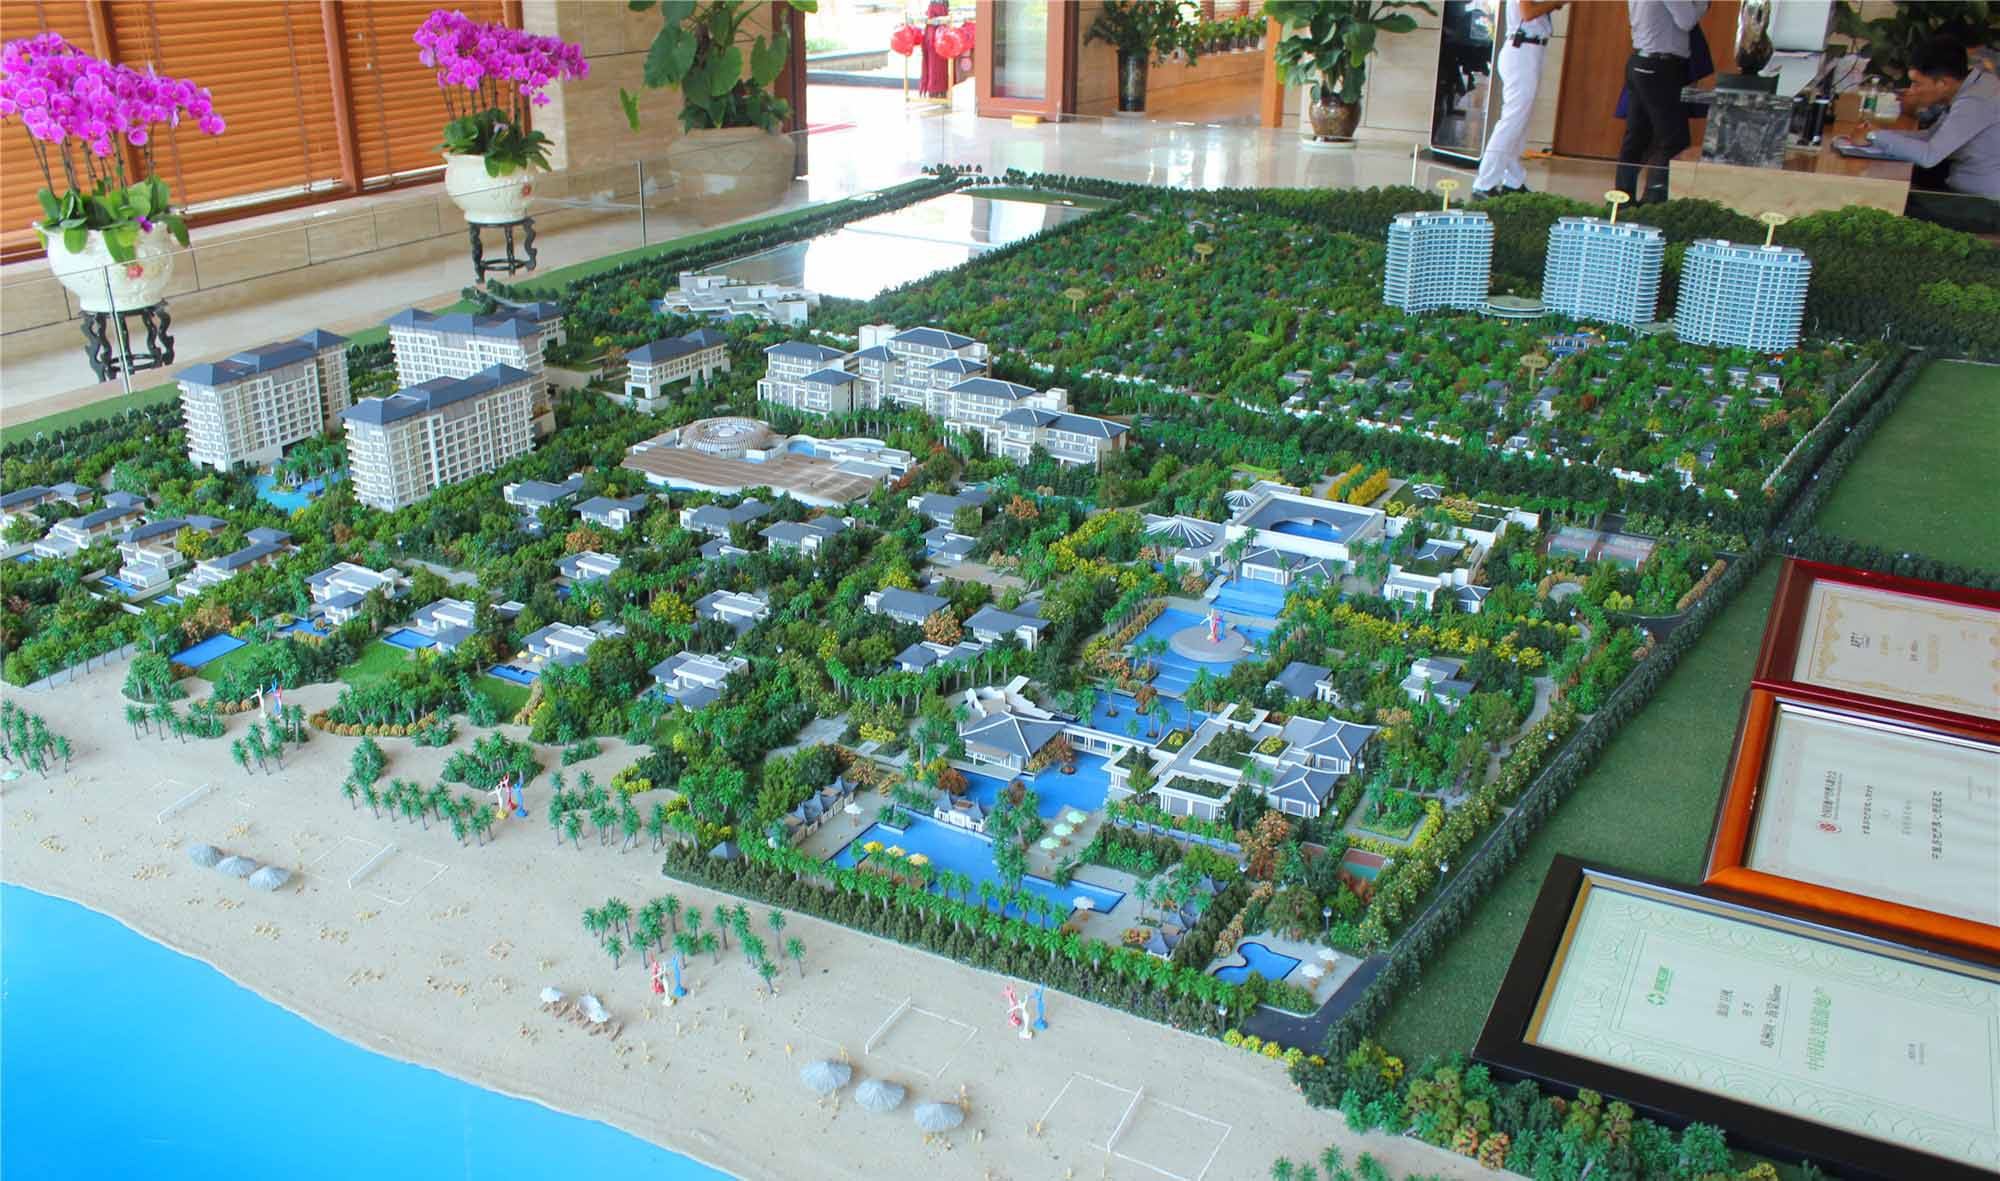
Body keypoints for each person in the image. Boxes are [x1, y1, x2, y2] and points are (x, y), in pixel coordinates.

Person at [1863, 37, 2000, 231]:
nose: (1912, 90)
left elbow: (1929, 156)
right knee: (1888, 189)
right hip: (1967, 192)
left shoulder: (1975, 102)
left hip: (1986, 206)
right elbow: (1930, 136)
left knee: (1883, 205)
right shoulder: (1977, 84)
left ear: (1942, 83)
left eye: (1916, 83)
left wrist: (1873, 136)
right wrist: (1878, 135)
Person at [1616, 0, 1710, 204]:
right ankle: (1653, 203)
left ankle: (1621, 201)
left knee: (1637, 138)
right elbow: (1687, 20)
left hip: (1640, 61)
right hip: (1660, 67)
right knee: (1673, 141)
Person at [1473, 1, 1569, 199]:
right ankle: (1484, 183)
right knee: (1512, 122)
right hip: (1522, 49)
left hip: (1530, 50)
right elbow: (1528, 13)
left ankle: (1513, 180)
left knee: (1519, 122)